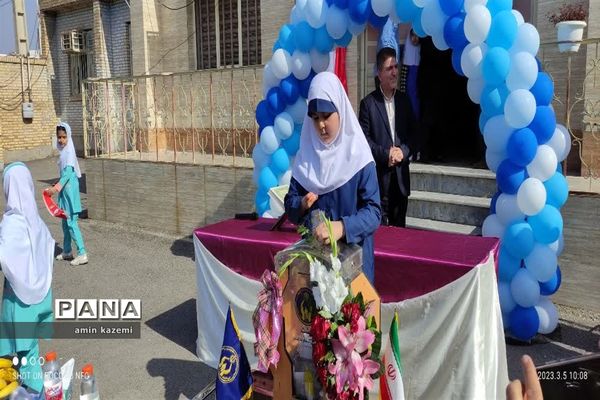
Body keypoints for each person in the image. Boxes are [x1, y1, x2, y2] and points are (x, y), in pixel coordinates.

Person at [284, 72, 382, 283]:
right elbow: (290, 204)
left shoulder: (358, 157)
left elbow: (374, 213)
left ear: (340, 110)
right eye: (315, 118)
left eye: (326, 116)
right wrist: (301, 204)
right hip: (316, 269)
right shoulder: (306, 158)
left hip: (355, 270)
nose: (321, 125)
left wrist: (343, 227)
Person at [0, 162, 55, 393]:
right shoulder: (36, 219)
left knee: (25, 356)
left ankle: (36, 393)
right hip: (40, 297)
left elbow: (4, 258)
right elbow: (48, 248)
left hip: (20, 302)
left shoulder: (11, 223)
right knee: (30, 349)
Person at [359, 47, 416, 228]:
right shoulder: (368, 104)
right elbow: (364, 141)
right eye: (389, 68)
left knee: (400, 234)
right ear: (379, 73)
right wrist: (386, 154)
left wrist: (403, 152)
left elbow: (415, 134)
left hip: (400, 181)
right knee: (380, 233)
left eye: (396, 67)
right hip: (379, 181)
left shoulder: (404, 101)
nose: (394, 72)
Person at [45, 122, 88, 266]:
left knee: (71, 223)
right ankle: (67, 251)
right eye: (59, 137)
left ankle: (82, 253)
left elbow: (69, 173)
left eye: (64, 137)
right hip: (65, 192)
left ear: (68, 136)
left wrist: (55, 188)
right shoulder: (63, 153)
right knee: (65, 223)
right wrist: (57, 183)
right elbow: (64, 175)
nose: (61, 140)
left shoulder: (69, 152)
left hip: (70, 193)